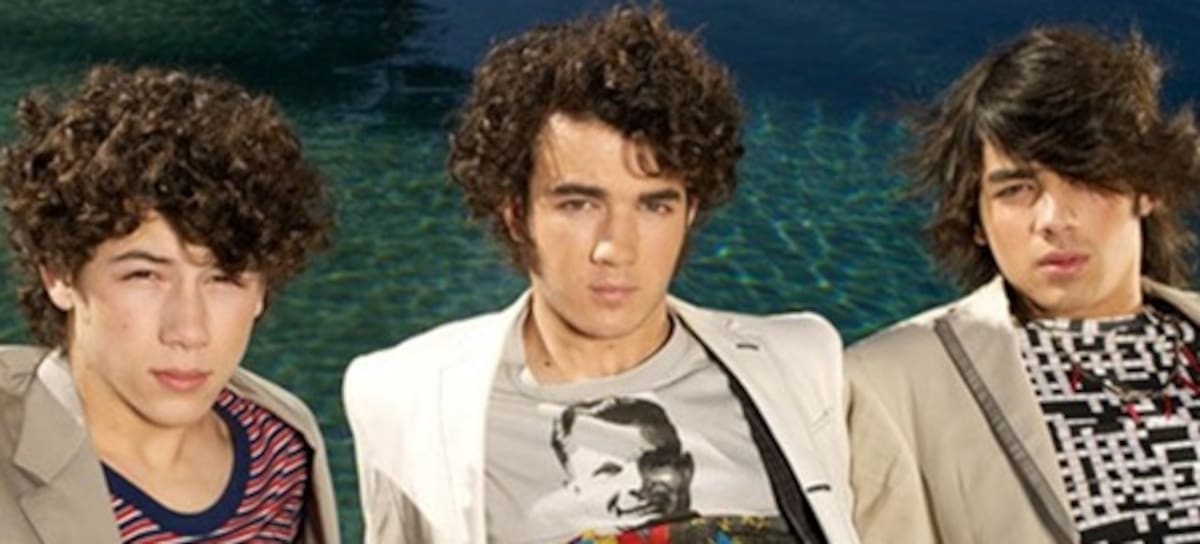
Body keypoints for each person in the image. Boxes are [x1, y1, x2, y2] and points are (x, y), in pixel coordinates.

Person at [343, 5, 857, 543]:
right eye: (579, 204)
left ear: (690, 212)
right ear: (516, 214)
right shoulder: (407, 397)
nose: (616, 247)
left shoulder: (800, 361)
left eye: (654, 206)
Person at [846, 26, 1200, 543]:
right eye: (1016, 189)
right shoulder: (889, 381)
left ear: (1147, 188)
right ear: (976, 218)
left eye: (1084, 177)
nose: (1053, 219)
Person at [0, 66, 339, 543]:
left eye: (223, 278)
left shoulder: (280, 453)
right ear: (59, 274)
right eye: (144, 276)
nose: (188, 330)